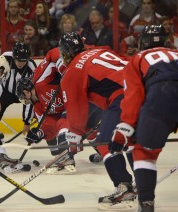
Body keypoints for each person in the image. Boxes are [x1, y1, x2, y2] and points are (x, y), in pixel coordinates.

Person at [59, 32, 136, 210]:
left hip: (122, 97)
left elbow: (76, 109)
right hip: (142, 87)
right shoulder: (100, 50)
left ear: (66, 53)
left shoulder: (72, 71)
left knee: (104, 141)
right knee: (132, 139)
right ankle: (143, 184)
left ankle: (124, 187)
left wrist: (76, 134)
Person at [109, 25, 178, 212]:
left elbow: (133, 96)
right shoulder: (176, 53)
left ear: (142, 42)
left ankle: (146, 203)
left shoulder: (137, 58)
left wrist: (124, 130)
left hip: (162, 94)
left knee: (144, 153)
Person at [15, 47, 102, 174]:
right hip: (75, 106)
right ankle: (106, 153)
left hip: (83, 92)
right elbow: (50, 129)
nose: (23, 100)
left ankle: (66, 156)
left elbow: (53, 54)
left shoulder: (40, 79)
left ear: (26, 91)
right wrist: (39, 134)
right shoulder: (38, 108)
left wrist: (64, 70)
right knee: (88, 129)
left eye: (22, 96)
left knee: (64, 122)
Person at [0, 41, 36, 135]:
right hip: (6, 91)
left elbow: (30, 96)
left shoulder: (32, 68)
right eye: (18, 60)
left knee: (34, 100)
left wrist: (27, 122)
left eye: (24, 61)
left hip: (24, 92)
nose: (21, 63)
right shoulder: (5, 59)